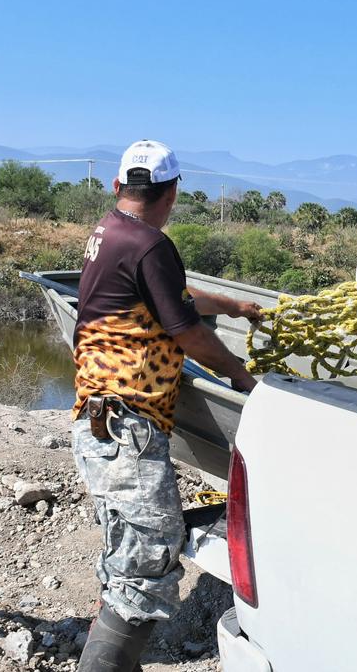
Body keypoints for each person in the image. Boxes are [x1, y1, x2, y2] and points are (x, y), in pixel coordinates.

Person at [73, 139, 261, 670]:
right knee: (148, 557)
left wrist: (234, 305)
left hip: (102, 417)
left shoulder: (111, 231)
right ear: (173, 191)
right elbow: (189, 332)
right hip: (127, 423)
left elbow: (173, 296)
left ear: (118, 186)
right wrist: (244, 378)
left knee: (129, 549)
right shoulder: (150, 245)